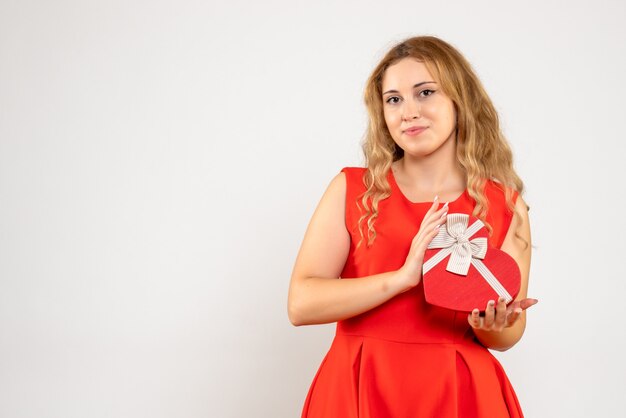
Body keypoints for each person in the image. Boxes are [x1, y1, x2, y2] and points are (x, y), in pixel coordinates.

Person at [287, 35, 538, 418]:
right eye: (394, 99)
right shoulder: (352, 189)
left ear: (460, 100)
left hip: (461, 392)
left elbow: (506, 337)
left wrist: (494, 324)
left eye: (425, 93)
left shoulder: (505, 205)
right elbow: (301, 304)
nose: (408, 112)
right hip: (358, 384)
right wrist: (403, 278)